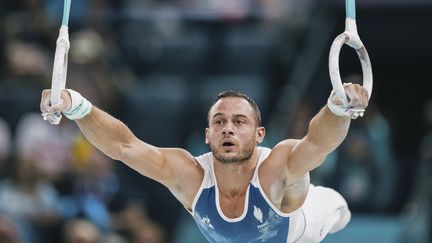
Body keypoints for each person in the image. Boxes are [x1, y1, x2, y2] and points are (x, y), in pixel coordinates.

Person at [40, 83, 369, 242]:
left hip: (303, 227)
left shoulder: (276, 167)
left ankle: (337, 206)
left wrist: (338, 108)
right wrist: (76, 105)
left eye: (239, 121)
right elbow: (124, 146)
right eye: (220, 122)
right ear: (208, 135)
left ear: (259, 134)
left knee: (338, 210)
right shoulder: (189, 175)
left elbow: (317, 143)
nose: (228, 127)